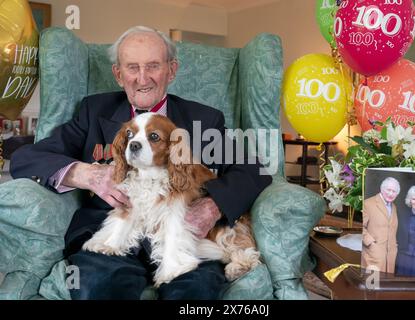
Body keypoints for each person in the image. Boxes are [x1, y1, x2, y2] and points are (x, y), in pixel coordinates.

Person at [10, 26, 272, 300]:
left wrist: (213, 206)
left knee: (196, 292)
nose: (142, 78)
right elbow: (28, 158)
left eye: (153, 66)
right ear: (118, 74)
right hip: (111, 234)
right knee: (95, 288)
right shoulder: (93, 111)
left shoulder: (204, 119)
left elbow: (253, 169)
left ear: (171, 70)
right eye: (132, 67)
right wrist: (85, 174)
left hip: (185, 237)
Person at [361, 177, 400, 273]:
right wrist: (370, 243)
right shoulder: (368, 204)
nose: (391, 193)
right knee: (372, 284)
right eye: (388, 190)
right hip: (373, 254)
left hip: (390, 255)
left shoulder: (393, 206)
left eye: (394, 191)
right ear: (382, 189)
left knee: (385, 285)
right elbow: (360, 226)